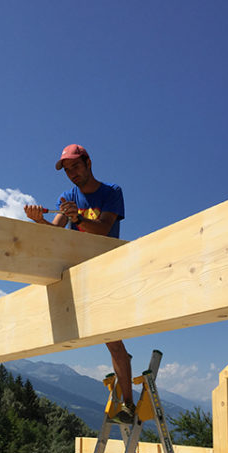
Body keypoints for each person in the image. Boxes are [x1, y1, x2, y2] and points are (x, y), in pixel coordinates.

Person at [24, 143, 135, 424]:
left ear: (88, 163)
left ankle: (129, 405)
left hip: (107, 270)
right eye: (67, 170)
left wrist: (79, 217)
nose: (72, 173)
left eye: (76, 166)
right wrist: (39, 220)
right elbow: (55, 232)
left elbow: (104, 228)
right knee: (109, 341)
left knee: (114, 343)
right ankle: (126, 398)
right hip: (81, 273)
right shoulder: (68, 196)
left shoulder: (112, 193)